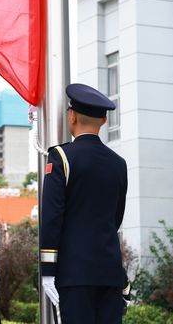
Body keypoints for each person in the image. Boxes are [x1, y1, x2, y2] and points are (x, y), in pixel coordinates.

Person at [39, 83, 128, 323]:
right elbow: (115, 219)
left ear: (72, 116)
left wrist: (48, 270)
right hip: (109, 273)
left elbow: (51, 217)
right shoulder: (118, 163)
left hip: (73, 274)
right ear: (104, 120)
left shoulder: (61, 157)